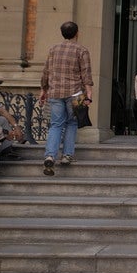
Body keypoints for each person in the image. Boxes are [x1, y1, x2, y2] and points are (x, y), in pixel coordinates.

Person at [40, 21, 93, 176]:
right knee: (72, 123)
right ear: (77, 33)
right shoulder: (82, 50)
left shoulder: (53, 49)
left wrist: (43, 89)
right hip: (76, 93)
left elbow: (46, 71)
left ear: (62, 33)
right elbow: (86, 74)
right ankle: (67, 155)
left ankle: (50, 155)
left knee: (55, 125)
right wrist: (89, 93)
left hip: (55, 92)